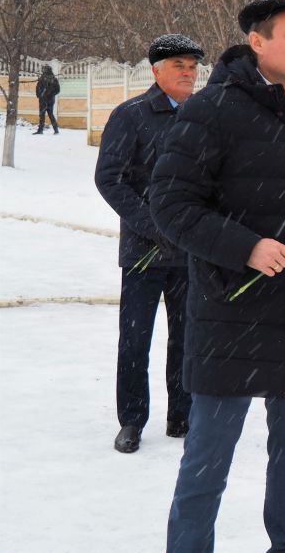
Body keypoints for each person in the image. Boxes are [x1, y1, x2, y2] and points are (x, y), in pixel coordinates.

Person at [149, 0, 285, 552]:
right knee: (206, 467)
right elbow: (170, 203)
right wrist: (246, 246)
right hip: (231, 314)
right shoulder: (212, 109)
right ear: (258, 43)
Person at [94, 34, 204, 454]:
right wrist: (154, 224)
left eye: (193, 66)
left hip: (191, 251)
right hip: (145, 251)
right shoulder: (132, 115)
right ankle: (132, 420)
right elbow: (110, 179)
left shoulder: (201, 116)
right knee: (135, 339)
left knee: (187, 338)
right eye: (180, 65)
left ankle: (182, 415)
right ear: (156, 70)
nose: (189, 73)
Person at [33, 65, 60, 134]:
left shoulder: (53, 79)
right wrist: (39, 95)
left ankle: (55, 130)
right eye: (44, 70)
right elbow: (38, 87)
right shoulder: (42, 78)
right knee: (44, 115)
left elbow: (57, 90)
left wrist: (50, 94)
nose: (44, 71)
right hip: (44, 99)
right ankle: (42, 130)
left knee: (48, 115)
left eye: (45, 70)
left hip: (48, 100)